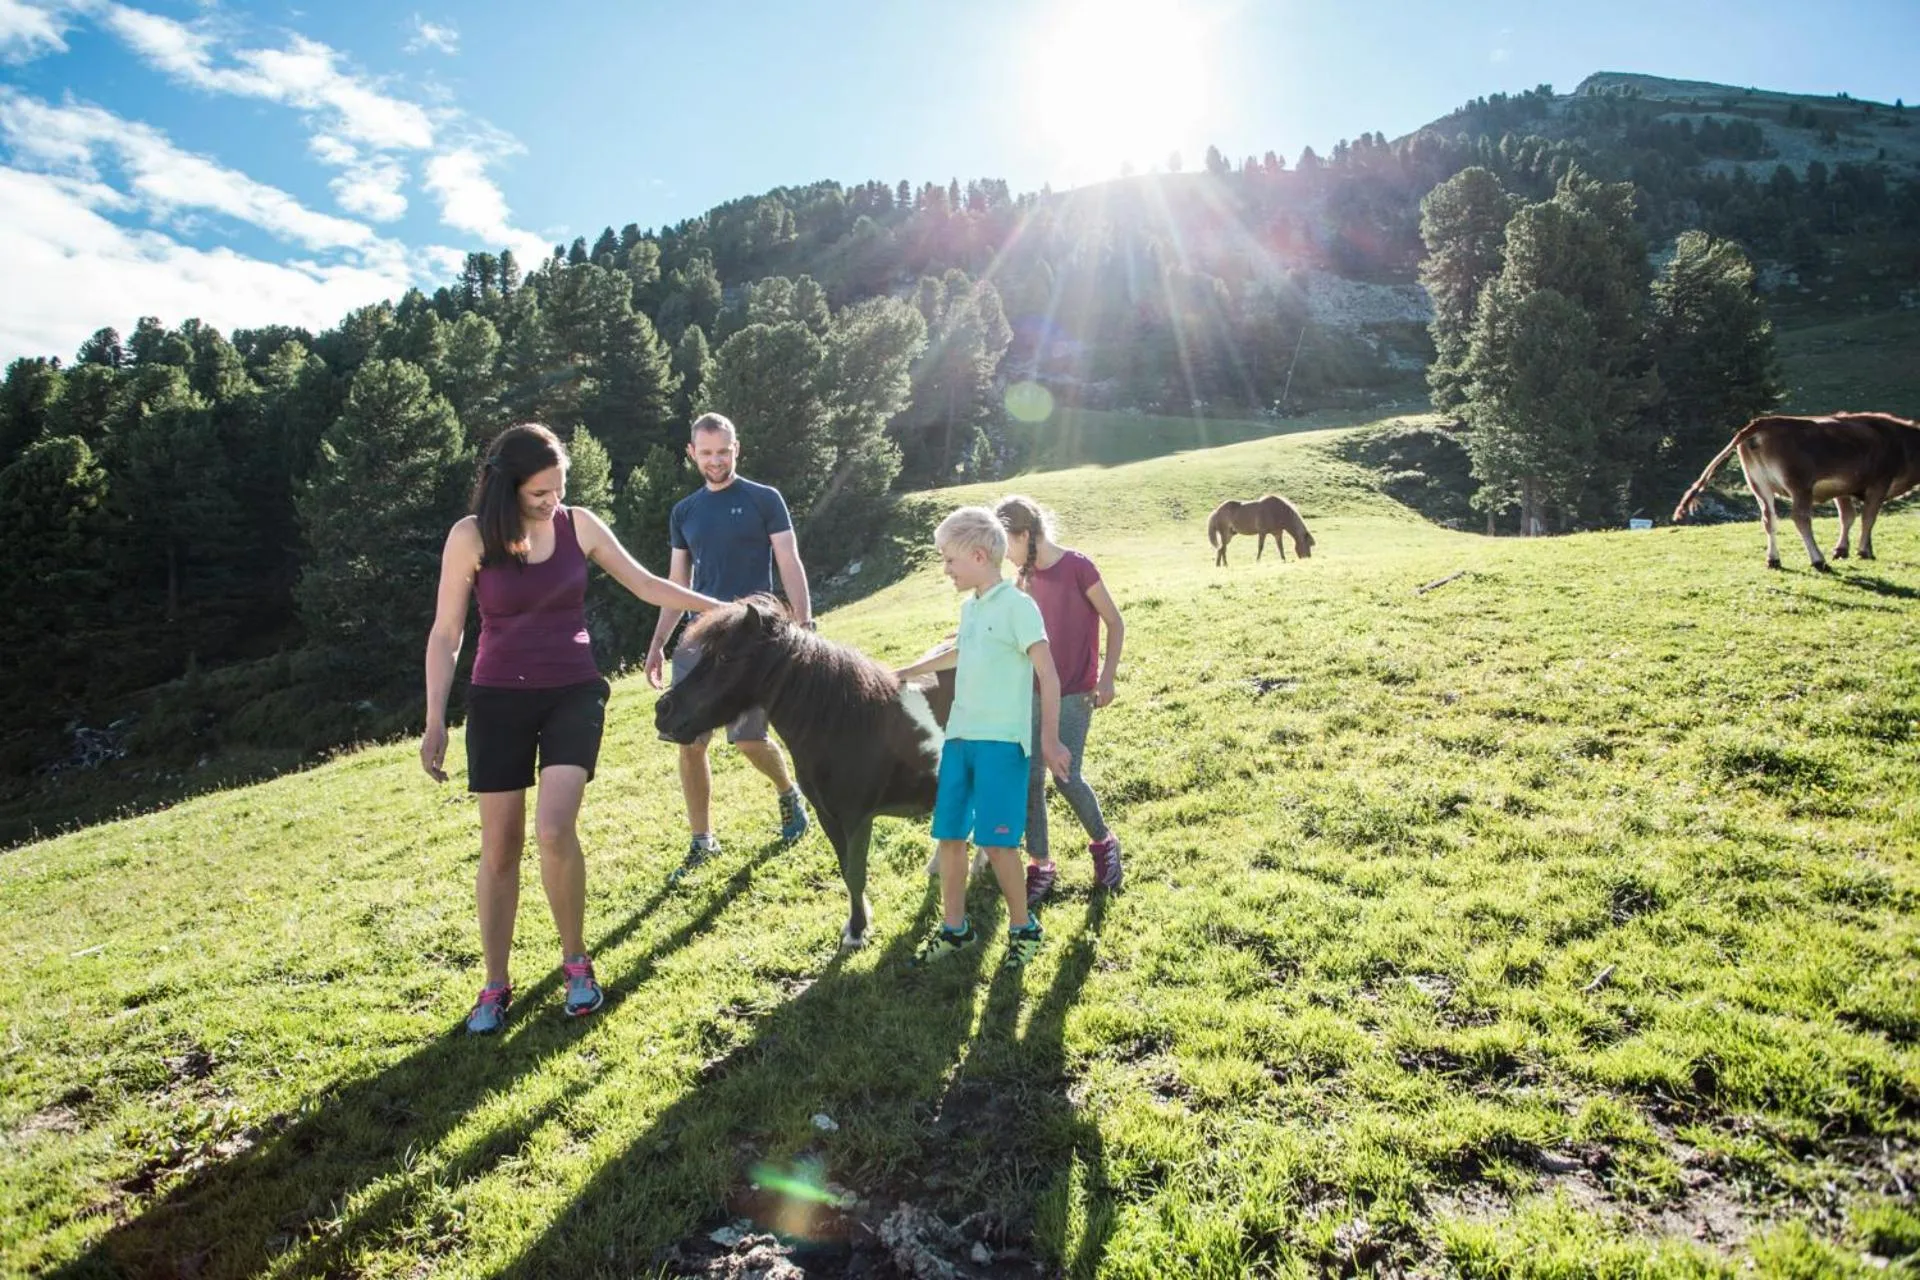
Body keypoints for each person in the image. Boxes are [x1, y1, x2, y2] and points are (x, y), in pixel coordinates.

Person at [422, 423, 722, 1036]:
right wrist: (434, 721)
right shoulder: (471, 536)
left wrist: (719, 606)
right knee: (500, 847)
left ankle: (576, 963)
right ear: (506, 488)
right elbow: (447, 634)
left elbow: (642, 582)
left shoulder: (578, 524)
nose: (551, 501)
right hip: (497, 699)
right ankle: (495, 985)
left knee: (555, 828)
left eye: (558, 488)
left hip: (573, 692)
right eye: (539, 493)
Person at [894, 507, 1072, 971]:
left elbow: (1048, 677)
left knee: (997, 844)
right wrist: (909, 671)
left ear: (977, 555)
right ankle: (955, 929)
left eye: (949, 560)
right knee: (951, 835)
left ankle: (1023, 927)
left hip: (1001, 745)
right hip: (960, 740)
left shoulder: (1019, 607)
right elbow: (961, 650)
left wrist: (1050, 742)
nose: (945, 570)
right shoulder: (970, 608)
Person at [646, 413, 815, 869]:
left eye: (723, 451)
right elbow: (675, 583)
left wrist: (805, 623)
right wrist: (660, 641)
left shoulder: (764, 499)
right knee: (688, 740)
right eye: (707, 453)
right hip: (699, 636)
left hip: (753, 636)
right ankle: (702, 840)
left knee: (748, 740)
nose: (716, 460)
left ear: (736, 448)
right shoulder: (684, 512)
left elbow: (789, 560)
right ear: (692, 453)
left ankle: (788, 792)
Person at [995, 496, 1126, 907]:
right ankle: (1041, 864)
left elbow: (1115, 621)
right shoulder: (1022, 577)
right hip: (1031, 691)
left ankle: (1104, 843)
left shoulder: (1078, 567)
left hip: (1074, 690)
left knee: (1066, 776)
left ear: (1026, 535)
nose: (1005, 554)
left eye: (1007, 543)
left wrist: (1107, 678)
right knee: (1029, 776)